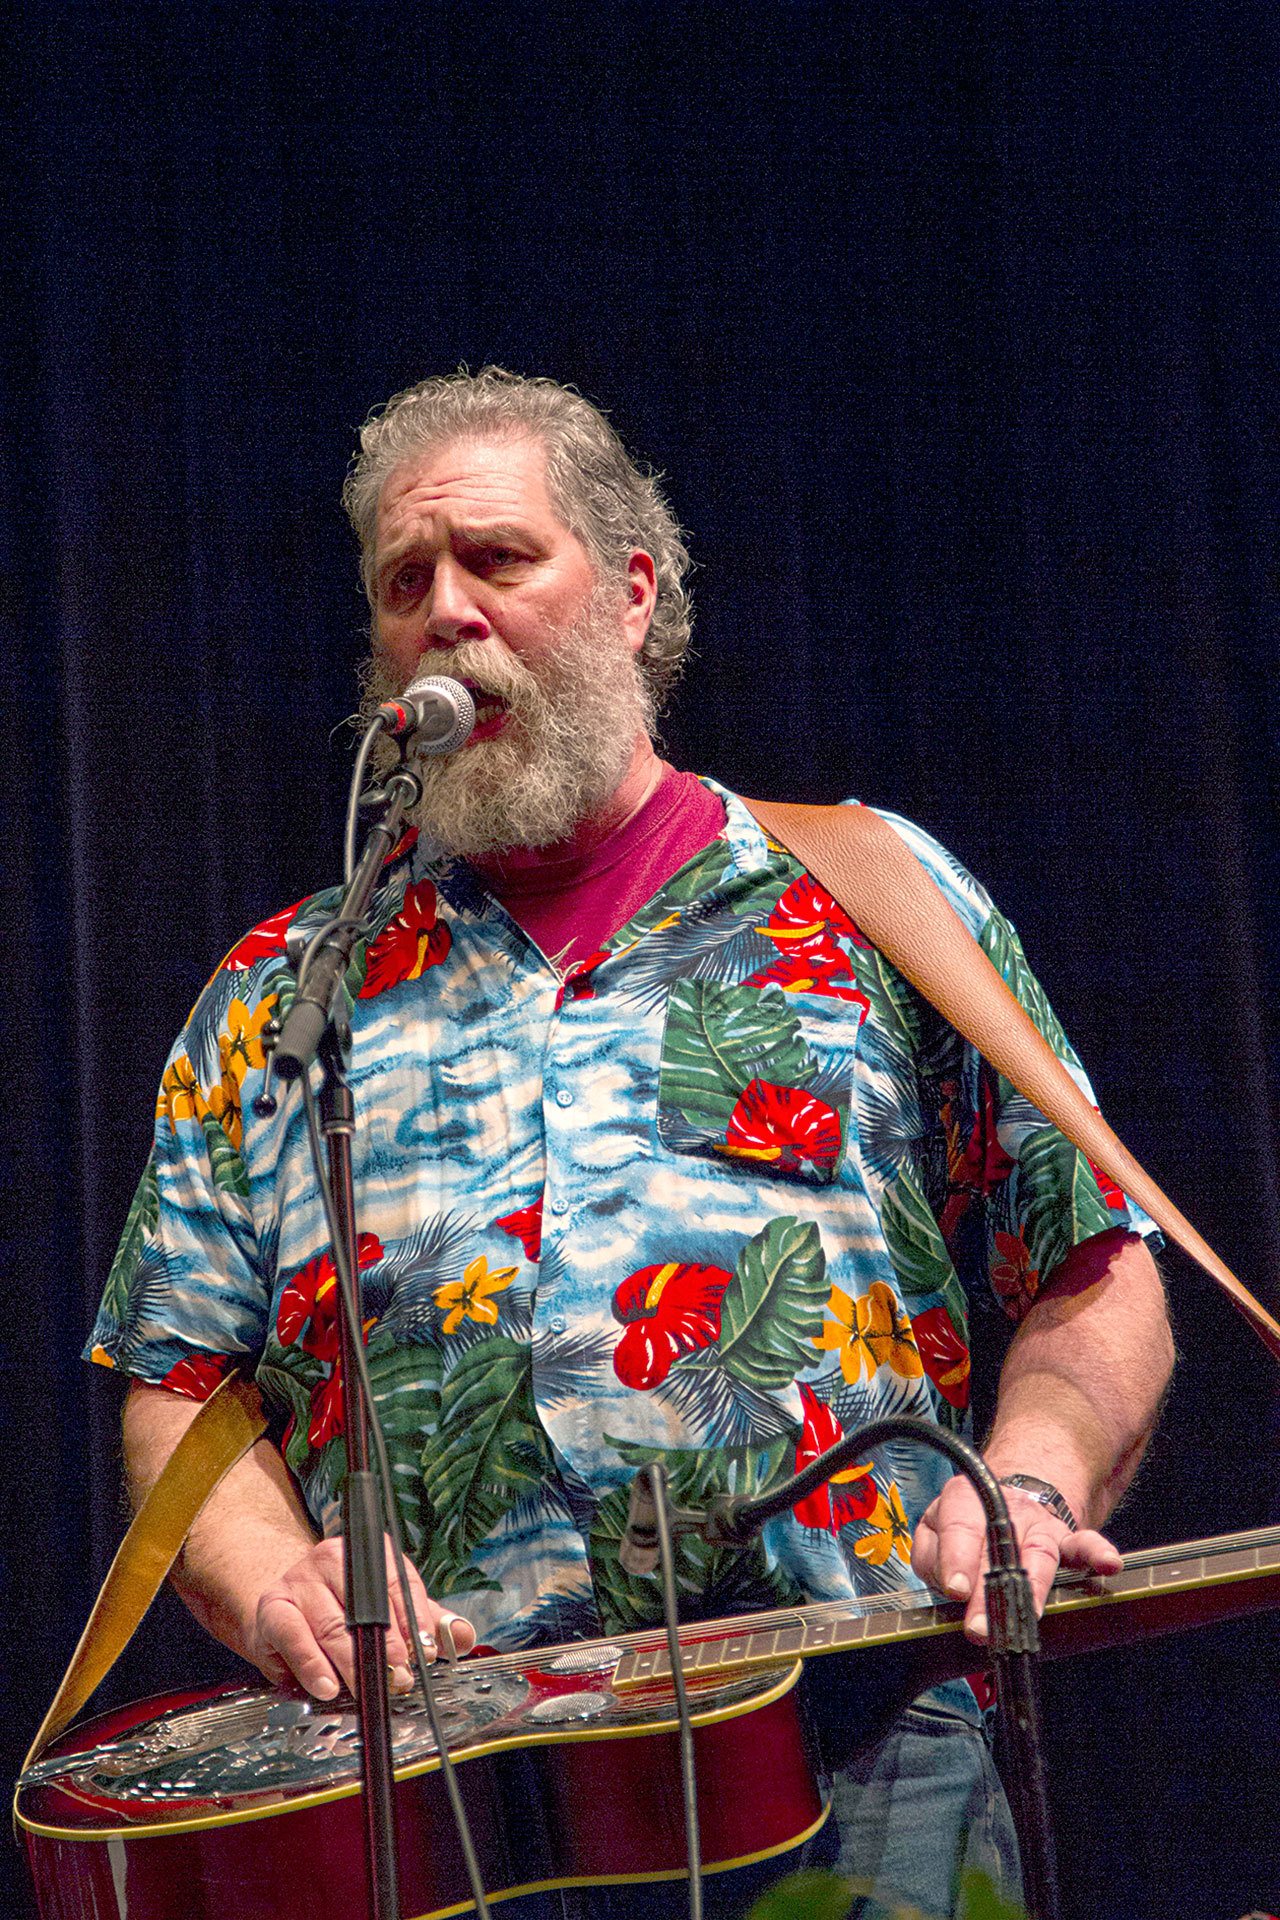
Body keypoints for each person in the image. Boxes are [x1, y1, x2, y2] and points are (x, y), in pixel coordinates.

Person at [89, 368, 1174, 1920]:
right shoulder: (282, 992)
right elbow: (179, 1384)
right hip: (454, 1802)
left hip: (861, 1748)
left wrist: (1030, 1482)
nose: (447, 612)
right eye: (405, 582)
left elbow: (1092, 1262)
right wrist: (275, 1579)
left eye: (498, 559)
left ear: (633, 590)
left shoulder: (870, 892)